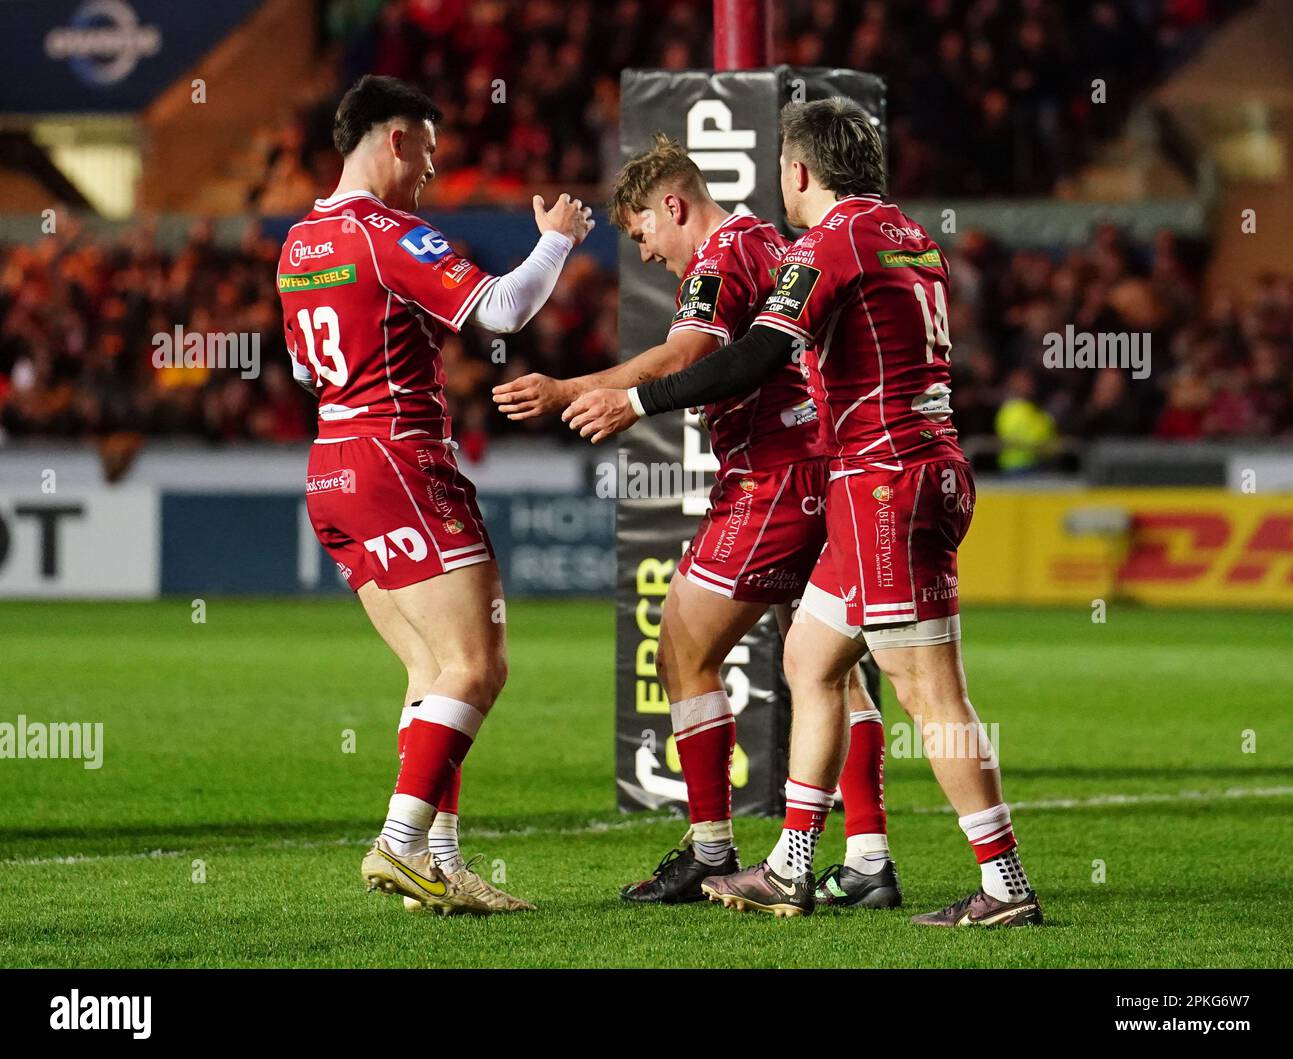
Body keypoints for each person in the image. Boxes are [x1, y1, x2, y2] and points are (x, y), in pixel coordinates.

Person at [564, 98, 1043, 926]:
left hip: (885, 479)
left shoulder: (832, 240)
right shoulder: (908, 232)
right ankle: (799, 865)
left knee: (931, 691)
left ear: (797, 171)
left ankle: (1004, 883)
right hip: (902, 467)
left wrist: (635, 397)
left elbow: (754, 354)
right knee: (812, 658)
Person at [493, 134, 899, 909]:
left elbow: (684, 355)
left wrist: (566, 389)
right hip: (825, 464)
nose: (647, 253)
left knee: (682, 647)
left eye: (643, 232)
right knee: (828, 667)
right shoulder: (772, 241)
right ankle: (870, 855)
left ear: (674, 205)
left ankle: (711, 846)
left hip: (773, 478)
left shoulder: (718, 260)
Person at [276, 74, 593, 914]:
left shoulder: (299, 241)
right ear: (393, 139)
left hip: (333, 464)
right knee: (479, 664)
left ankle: (439, 865)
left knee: (431, 669)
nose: (431, 165)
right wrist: (556, 239)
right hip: (399, 460)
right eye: (427, 145)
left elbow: (310, 370)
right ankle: (399, 840)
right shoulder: (385, 233)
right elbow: (497, 311)